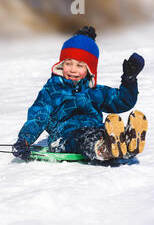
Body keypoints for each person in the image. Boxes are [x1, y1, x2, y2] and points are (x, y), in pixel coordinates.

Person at [12, 26, 147, 162]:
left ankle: (127, 141)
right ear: (61, 65)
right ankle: (104, 148)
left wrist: (129, 80)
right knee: (85, 138)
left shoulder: (94, 91)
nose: (72, 70)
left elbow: (120, 101)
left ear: (89, 69)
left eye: (80, 65)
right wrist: (25, 140)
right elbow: (38, 116)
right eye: (68, 63)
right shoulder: (51, 91)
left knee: (104, 131)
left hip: (95, 129)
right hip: (64, 137)